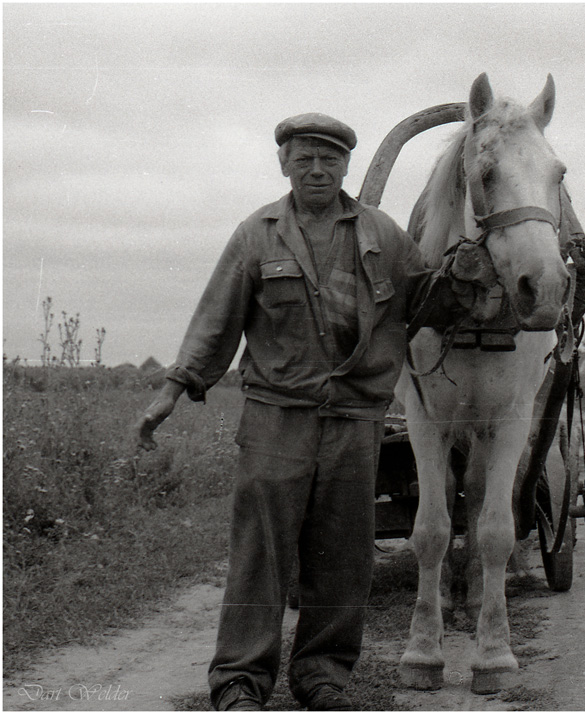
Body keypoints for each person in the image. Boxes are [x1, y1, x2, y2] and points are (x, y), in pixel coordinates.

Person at [133, 113, 501, 711]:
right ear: (284, 163)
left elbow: (428, 302)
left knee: (343, 553)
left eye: (328, 159)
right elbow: (216, 319)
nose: (316, 169)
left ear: (346, 167)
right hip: (277, 417)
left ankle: (323, 676)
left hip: (354, 421)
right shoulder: (257, 233)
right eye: (303, 158)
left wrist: (464, 277)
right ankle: (239, 681)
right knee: (262, 551)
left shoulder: (383, 234)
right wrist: (172, 390)